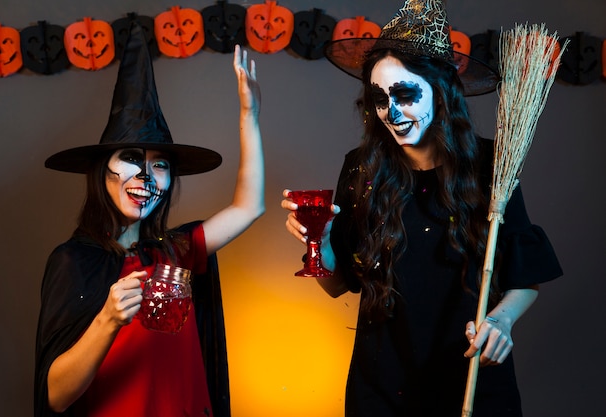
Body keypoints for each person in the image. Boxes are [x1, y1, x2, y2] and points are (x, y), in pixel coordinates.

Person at [281, 1, 562, 416]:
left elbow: (526, 277)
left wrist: (500, 322)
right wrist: (318, 242)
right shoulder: (361, 168)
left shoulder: (493, 166)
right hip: (382, 388)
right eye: (379, 98)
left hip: (471, 381)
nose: (390, 113)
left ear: (442, 91)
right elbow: (337, 284)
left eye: (406, 94)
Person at [34, 21, 263, 417]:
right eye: (130, 159)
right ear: (100, 169)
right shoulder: (73, 262)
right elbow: (54, 397)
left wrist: (250, 114)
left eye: (159, 165)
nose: (145, 177)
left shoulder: (178, 250)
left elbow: (249, 207)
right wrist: (107, 319)